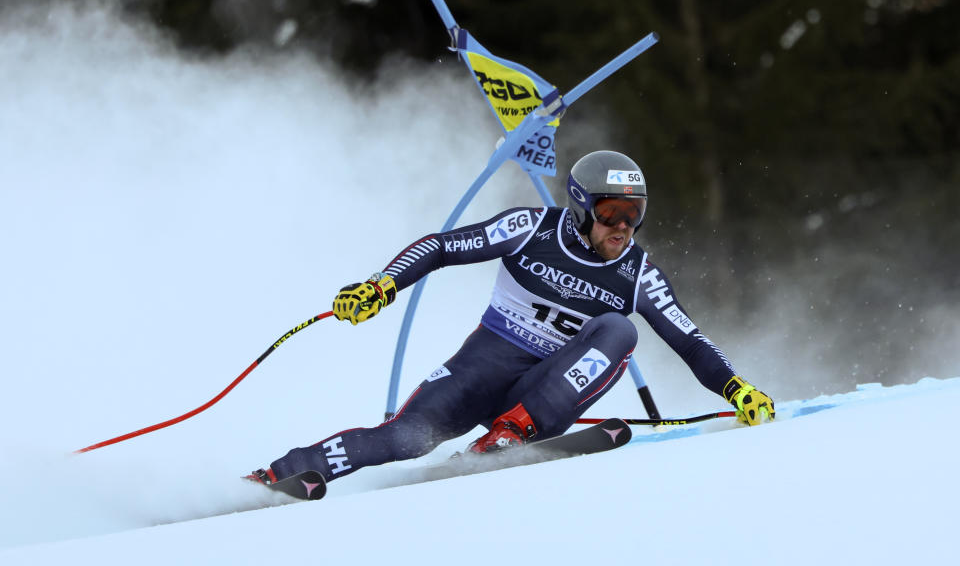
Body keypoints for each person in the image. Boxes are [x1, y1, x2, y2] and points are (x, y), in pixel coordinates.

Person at [249, 150, 774, 486]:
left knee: (621, 329)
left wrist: (737, 390)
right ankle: (278, 475)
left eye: (635, 214)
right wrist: (381, 286)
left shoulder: (638, 273)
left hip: (544, 394)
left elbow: (690, 340)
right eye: (612, 212)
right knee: (403, 439)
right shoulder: (531, 228)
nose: (624, 227)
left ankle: (508, 435)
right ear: (581, 207)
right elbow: (443, 246)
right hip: (481, 369)